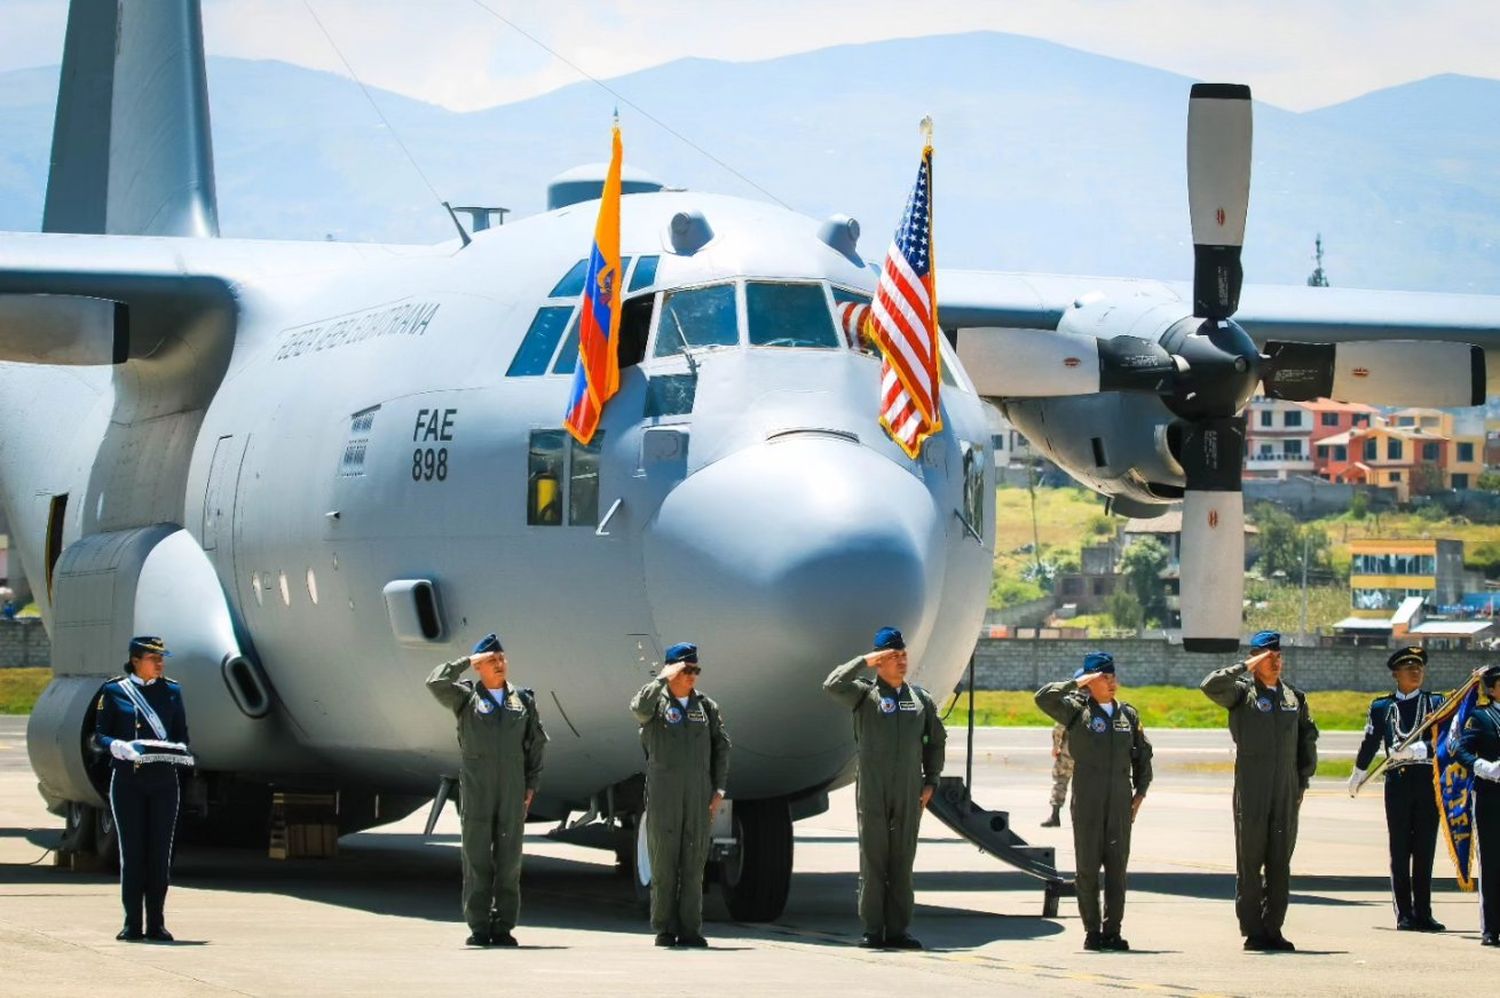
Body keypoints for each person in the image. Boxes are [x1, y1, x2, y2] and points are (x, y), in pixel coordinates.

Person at [823, 626, 947, 950]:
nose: (902, 661)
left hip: (909, 789)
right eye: (893, 656)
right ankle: (873, 928)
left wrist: (931, 779)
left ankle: (898, 930)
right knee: (874, 859)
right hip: (873, 788)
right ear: (880, 661)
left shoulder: (920, 700)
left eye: (904, 655)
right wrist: (864, 660)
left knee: (902, 861)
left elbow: (936, 741)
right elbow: (832, 684)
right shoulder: (864, 695)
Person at [426, 633, 547, 947]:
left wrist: (531, 784)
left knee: (509, 861)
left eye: (502, 658)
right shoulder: (465, 698)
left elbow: (536, 744)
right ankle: (479, 926)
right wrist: (466, 661)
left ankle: (504, 926)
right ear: (479, 666)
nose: (499, 665)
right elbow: (435, 682)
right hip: (478, 788)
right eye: (491, 660)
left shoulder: (522, 699)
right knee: (477, 858)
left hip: (512, 788)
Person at [1200, 630, 1318, 952]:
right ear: (1256, 659)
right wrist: (1245, 666)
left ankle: (1273, 928)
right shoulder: (1241, 693)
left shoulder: (1294, 697)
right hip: (1253, 785)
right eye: (1269, 657)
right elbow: (1210, 685)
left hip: (1286, 787)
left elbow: (1307, 738)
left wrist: (1302, 781)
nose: (1276, 662)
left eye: (1279, 656)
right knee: (1250, 860)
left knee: (1280, 861)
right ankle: (1253, 930)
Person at [1035, 652, 1153, 951]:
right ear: (1089, 681)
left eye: (1113, 677)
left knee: (1117, 869)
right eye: (1104, 678)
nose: (1111, 683)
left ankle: (1113, 931)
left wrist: (1139, 795)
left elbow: (1143, 756)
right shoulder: (1076, 711)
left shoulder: (1128, 715)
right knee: (1087, 869)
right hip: (1088, 798)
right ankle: (1092, 931)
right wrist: (1076, 683)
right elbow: (1043, 698)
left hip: (1119, 800)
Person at [630, 642, 731, 948]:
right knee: (664, 862)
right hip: (665, 794)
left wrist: (719, 789)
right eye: (686, 670)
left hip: (698, 794)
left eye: (695, 670)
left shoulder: (705, 707)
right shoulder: (656, 704)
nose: (692, 676)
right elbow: (637, 708)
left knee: (693, 862)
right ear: (672, 669)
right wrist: (662, 678)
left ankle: (690, 928)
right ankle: (664, 927)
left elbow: (722, 747)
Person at [92, 636, 194, 942]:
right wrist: (116, 746)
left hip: (163, 780)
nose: (160, 664)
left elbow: (181, 736)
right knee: (132, 853)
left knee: (160, 853)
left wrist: (178, 748)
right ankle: (132, 923)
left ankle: (157, 923)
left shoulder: (172, 691)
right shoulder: (114, 691)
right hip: (128, 780)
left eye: (162, 659)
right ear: (136, 660)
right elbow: (98, 736)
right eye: (154, 658)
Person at [1347, 646, 1446, 931]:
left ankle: (1424, 912)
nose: (1416, 672)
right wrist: (1359, 772)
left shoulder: (1435, 704)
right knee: (1400, 848)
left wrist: (1421, 748)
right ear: (1395, 674)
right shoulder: (1382, 707)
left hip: (1427, 782)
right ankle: (1404, 912)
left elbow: (1449, 740)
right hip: (1398, 784)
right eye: (1409, 668)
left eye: (1419, 668)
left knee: (1425, 848)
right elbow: (1371, 741)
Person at [1455, 662, 1500, 947]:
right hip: (1491, 795)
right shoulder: (1481, 718)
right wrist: (1481, 766)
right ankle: (1491, 927)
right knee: (1493, 862)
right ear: (1493, 689)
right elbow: (1460, 749)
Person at [1043, 722, 1073, 827]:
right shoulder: (1093, 708)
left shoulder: (1070, 708)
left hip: (1068, 752)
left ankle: (1055, 815)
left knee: (1060, 781)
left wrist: (1055, 746)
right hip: (1086, 753)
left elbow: (1059, 728)